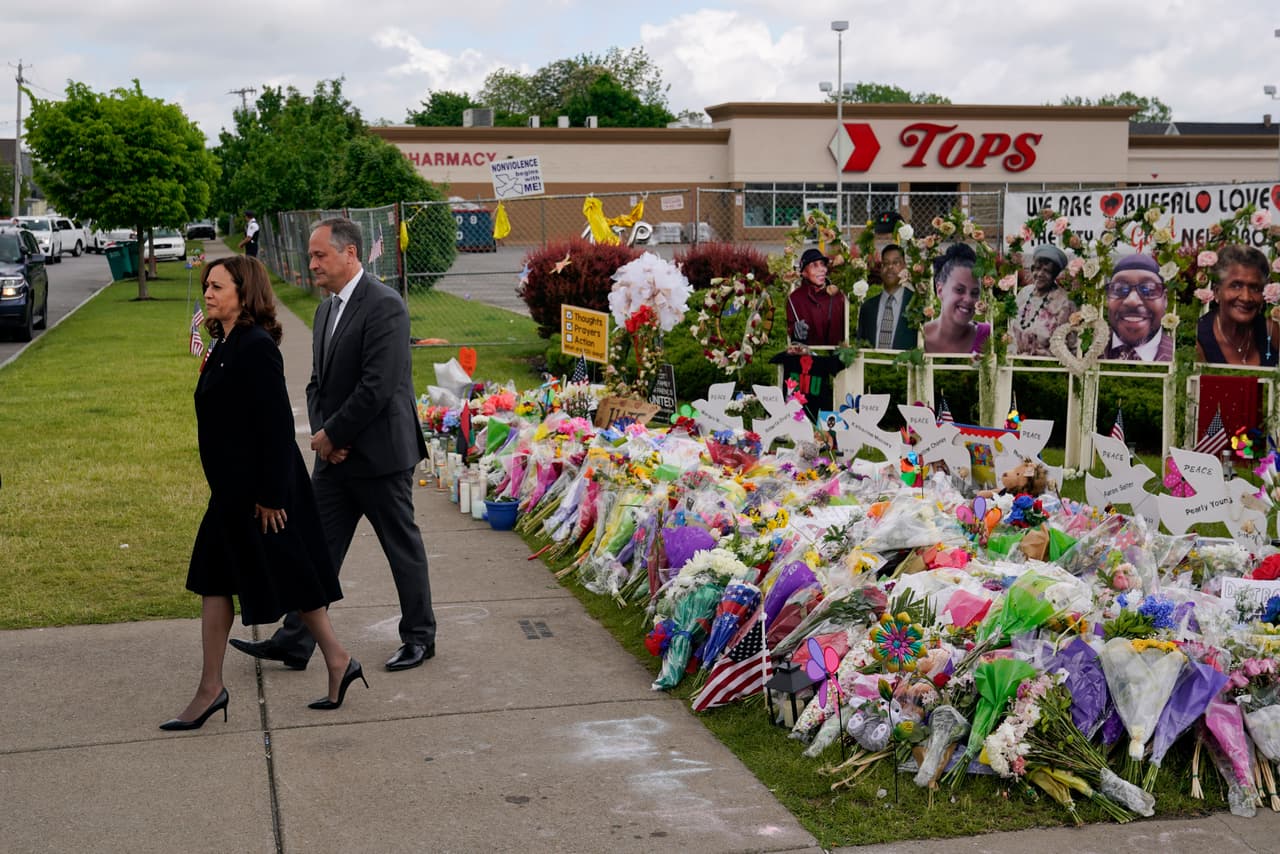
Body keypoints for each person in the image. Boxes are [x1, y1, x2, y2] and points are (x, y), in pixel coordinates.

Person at [163, 256, 365, 731]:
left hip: (261, 491)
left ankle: (333, 659)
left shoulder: (255, 347)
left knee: (287, 575)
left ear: (243, 292)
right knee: (224, 579)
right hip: (232, 491)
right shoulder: (225, 343)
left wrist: (272, 496)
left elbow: (275, 425)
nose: (208, 294)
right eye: (207, 286)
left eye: (217, 286)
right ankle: (219, 685)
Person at [230, 217, 437, 674]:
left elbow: (378, 386)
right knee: (313, 549)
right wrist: (325, 438)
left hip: (381, 456)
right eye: (311, 255)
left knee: (401, 548)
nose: (313, 263)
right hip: (335, 460)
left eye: (320, 255)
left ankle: (420, 637)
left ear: (351, 253)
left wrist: (334, 435)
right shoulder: (325, 310)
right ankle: (295, 640)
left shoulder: (385, 305)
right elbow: (316, 385)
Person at [1195, 244, 1278, 366]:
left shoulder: (1272, 332)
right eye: (1236, 286)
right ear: (1217, 292)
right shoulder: (1197, 337)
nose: (1246, 297)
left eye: (1255, 288)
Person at [1103, 254, 1173, 361]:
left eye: (1148, 289)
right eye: (1120, 289)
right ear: (1107, 298)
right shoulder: (1083, 353)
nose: (1132, 301)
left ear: (1165, 299)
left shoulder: (1181, 357)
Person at [923, 243, 990, 354]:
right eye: (959, 290)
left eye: (974, 293)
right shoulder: (919, 336)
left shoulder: (988, 336)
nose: (968, 299)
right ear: (940, 290)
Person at [1012, 244, 1077, 356]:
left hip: (1047, 366)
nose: (1040, 274)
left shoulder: (1064, 302)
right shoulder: (1024, 293)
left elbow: (1070, 344)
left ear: (1054, 275)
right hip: (1017, 362)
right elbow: (1011, 329)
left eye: (1047, 271)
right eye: (1037, 269)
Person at [856, 243, 916, 350]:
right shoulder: (867, 307)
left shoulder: (916, 303)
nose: (890, 267)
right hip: (872, 364)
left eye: (896, 263)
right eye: (885, 263)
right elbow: (860, 344)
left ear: (904, 266)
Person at [785, 247, 847, 347]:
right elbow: (791, 328)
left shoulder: (838, 295)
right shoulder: (794, 299)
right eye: (814, 265)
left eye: (822, 264)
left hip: (837, 357)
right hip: (807, 359)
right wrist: (794, 330)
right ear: (804, 273)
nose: (821, 269)